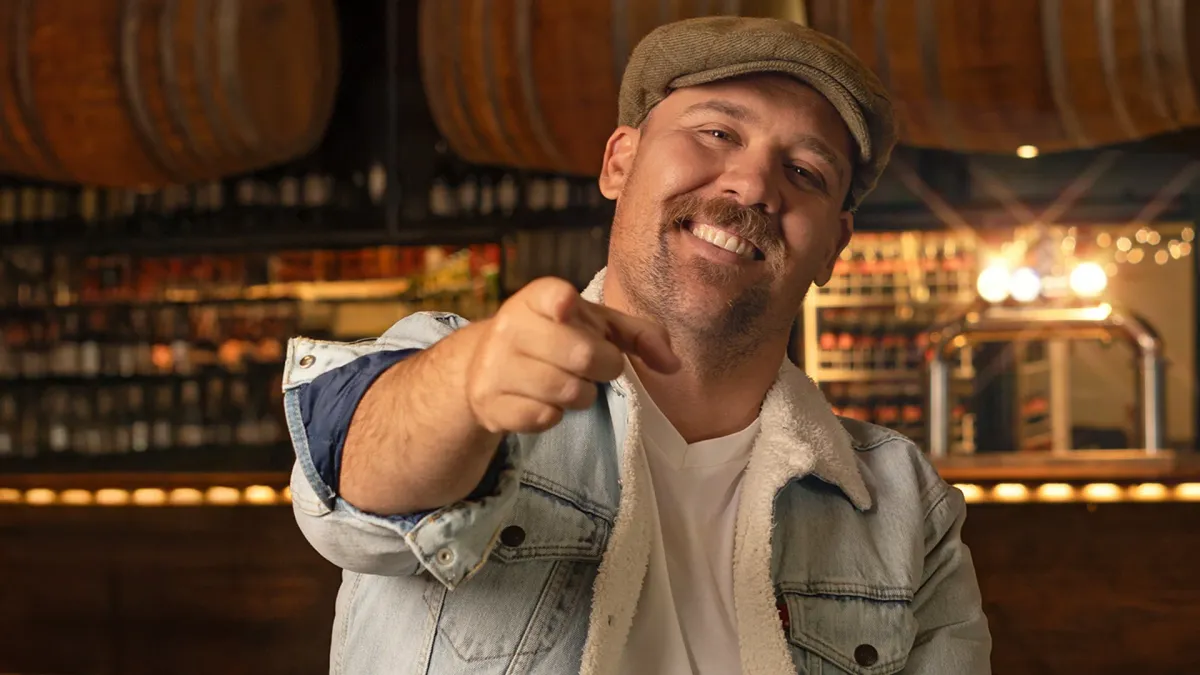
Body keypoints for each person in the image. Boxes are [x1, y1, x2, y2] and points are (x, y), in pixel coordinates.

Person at [282, 15, 992, 675]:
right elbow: (354, 492)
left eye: (805, 172)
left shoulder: (903, 503)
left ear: (834, 244)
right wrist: (466, 387)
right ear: (620, 161)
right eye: (717, 132)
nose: (752, 185)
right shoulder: (456, 370)